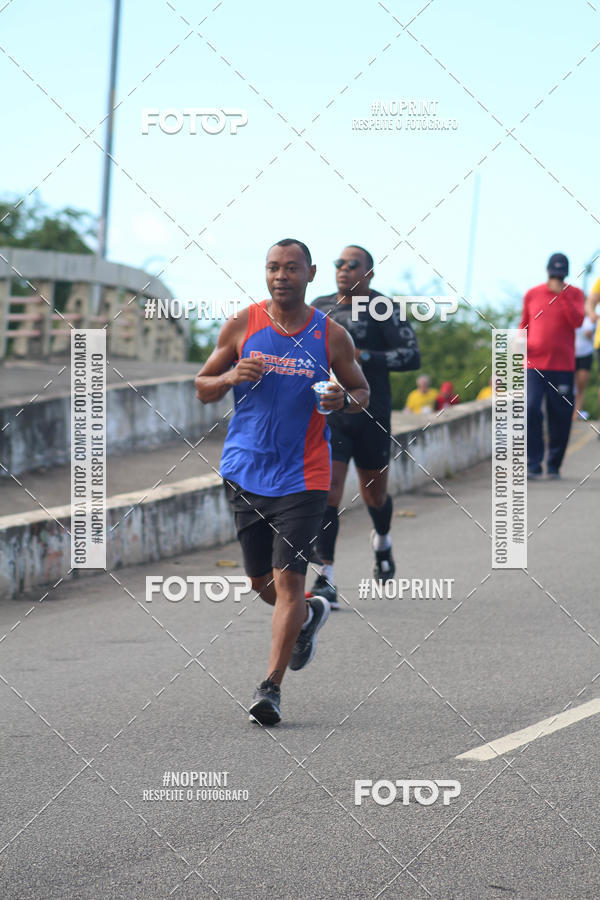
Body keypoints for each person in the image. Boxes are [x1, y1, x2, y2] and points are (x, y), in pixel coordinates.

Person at [195, 239, 369, 725]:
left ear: (310, 273)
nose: (281, 276)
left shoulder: (330, 335)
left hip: (305, 474)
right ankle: (311, 613)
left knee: (289, 578)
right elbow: (201, 386)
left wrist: (343, 401)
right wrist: (230, 376)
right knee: (261, 583)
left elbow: (362, 391)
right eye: (273, 267)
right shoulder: (242, 325)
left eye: (292, 268)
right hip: (246, 471)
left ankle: (270, 688)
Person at [310, 245, 420, 607]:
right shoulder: (321, 306)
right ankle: (325, 577)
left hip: (372, 414)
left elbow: (410, 355)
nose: (343, 269)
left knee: (374, 496)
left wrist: (364, 356)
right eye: (338, 263)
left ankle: (383, 540)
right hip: (332, 414)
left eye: (352, 264)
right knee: (329, 492)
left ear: (368, 274)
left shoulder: (382, 307)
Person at [520, 252, 584, 479]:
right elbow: (524, 326)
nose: (557, 278)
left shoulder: (575, 294)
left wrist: (563, 296)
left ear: (565, 274)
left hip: (562, 367)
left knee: (560, 416)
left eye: (561, 274)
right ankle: (533, 463)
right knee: (530, 408)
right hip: (534, 365)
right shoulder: (532, 294)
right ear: (548, 271)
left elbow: (577, 321)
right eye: (554, 273)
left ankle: (554, 465)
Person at [573, 315, 595, 420]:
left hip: (586, 355)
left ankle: (576, 414)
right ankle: (569, 411)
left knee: (581, 385)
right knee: (569, 386)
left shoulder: (590, 320)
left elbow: (591, 336)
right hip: (570, 354)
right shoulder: (572, 316)